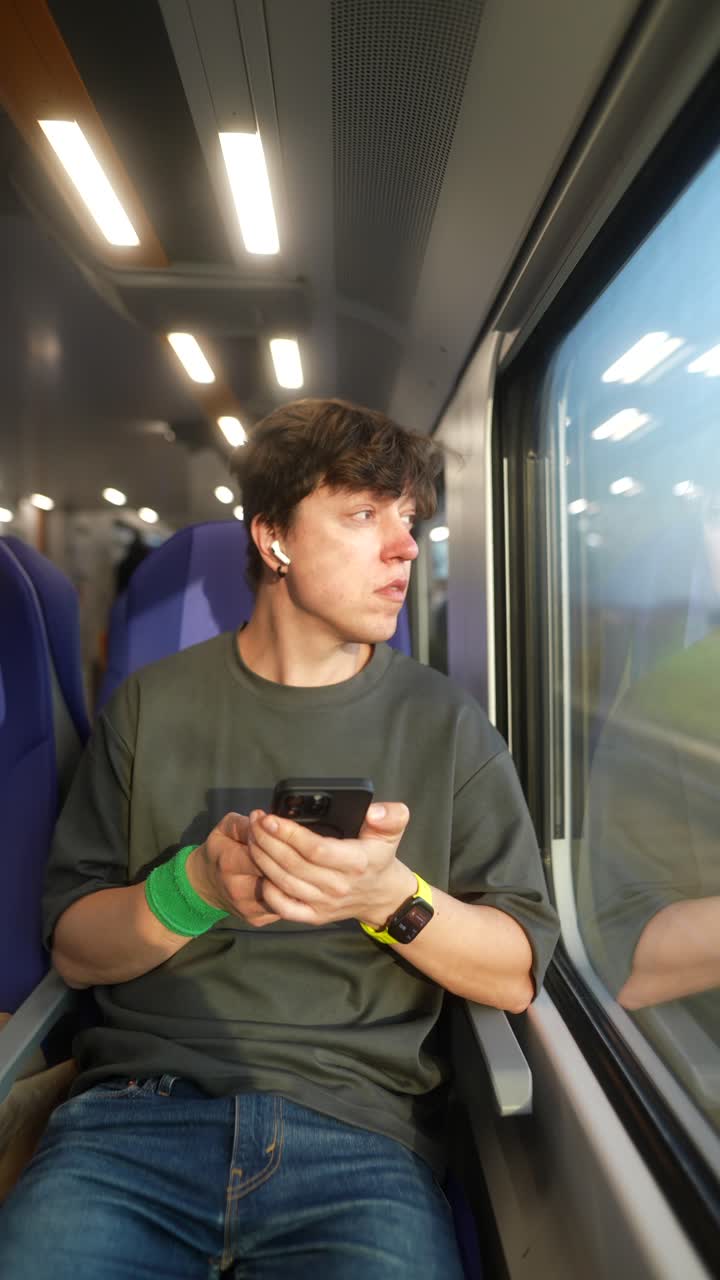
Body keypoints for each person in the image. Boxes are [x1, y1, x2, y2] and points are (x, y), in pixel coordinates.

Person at [0, 398, 559, 1278]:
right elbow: (74, 951)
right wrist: (197, 889)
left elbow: (514, 971)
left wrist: (387, 898)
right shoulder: (151, 708)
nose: (406, 547)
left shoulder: (447, 725)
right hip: (136, 1120)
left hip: (361, 1133)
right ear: (273, 539)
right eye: (364, 514)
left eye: (408, 519)